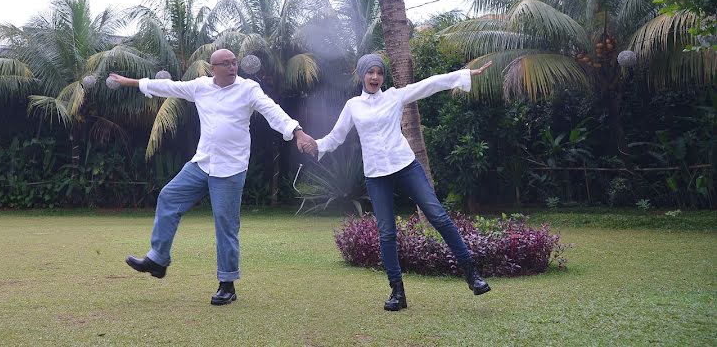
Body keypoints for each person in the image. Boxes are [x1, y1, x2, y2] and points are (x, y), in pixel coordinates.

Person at [109, 49, 317, 306]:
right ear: (213, 68)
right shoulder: (200, 87)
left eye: (234, 63)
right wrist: (132, 82)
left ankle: (227, 285)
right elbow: (169, 87)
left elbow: (272, 111)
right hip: (203, 163)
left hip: (231, 168)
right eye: (226, 64)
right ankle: (158, 259)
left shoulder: (248, 89)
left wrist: (297, 132)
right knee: (169, 196)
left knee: (226, 225)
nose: (233, 67)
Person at [300, 53, 493, 311]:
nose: (375, 77)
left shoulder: (394, 96)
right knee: (387, 233)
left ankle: (472, 275)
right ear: (362, 74)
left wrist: (464, 76)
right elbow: (335, 138)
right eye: (370, 72)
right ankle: (397, 293)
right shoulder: (353, 106)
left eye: (379, 73)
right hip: (376, 173)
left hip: (405, 165)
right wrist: (316, 145)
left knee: (438, 216)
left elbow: (429, 84)